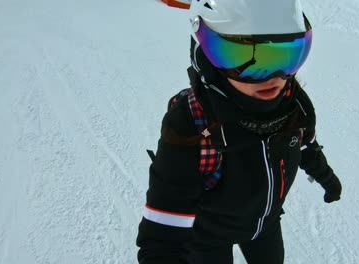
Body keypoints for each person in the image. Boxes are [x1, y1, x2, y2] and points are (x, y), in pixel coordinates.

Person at [136, 0, 342, 263]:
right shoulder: (192, 123)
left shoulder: (294, 105)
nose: (274, 77)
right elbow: (162, 235)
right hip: (207, 239)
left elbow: (305, 145)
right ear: (206, 55)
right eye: (245, 58)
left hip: (265, 228)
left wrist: (326, 178)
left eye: (288, 57)